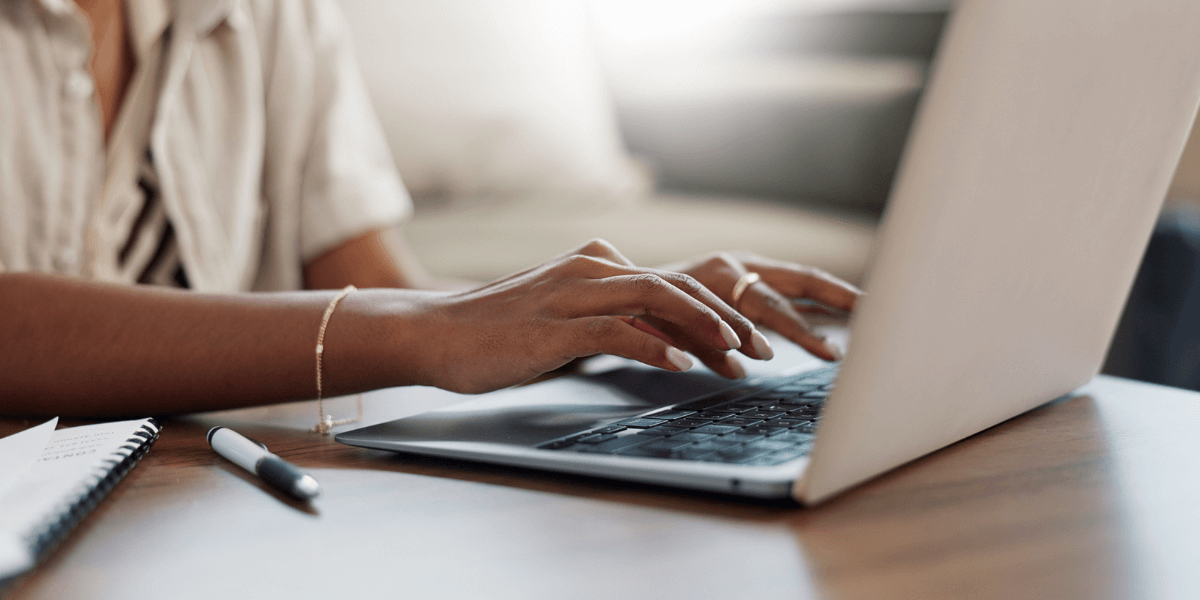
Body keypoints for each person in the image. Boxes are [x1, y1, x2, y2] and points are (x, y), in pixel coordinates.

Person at [0, 0, 860, 418]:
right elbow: (399, 321)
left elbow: (369, 283)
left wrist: (604, 311)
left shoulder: (271, 13)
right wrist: (422, 329)